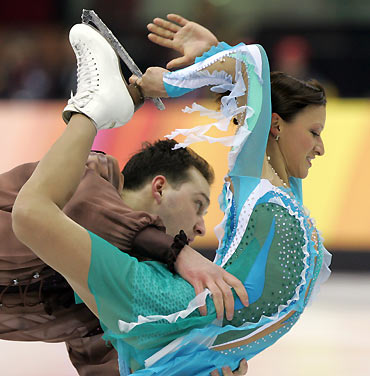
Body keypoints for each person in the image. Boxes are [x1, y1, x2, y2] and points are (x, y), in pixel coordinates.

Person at [12, 21, 330, 376]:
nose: (320, 147)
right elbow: (249, 62)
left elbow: (246, 82)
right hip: (180, 307)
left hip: (196, 348)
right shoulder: (254, 181)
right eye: (314, 132)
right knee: (30, 214)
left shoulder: (289, 193)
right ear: (276, 126)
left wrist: (218, 67)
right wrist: (170, 81)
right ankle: (92, 106)